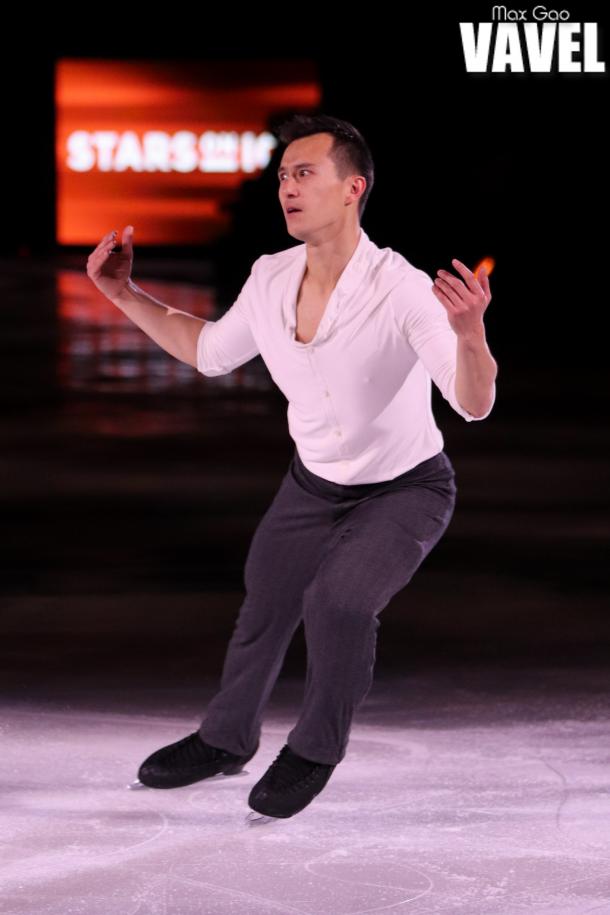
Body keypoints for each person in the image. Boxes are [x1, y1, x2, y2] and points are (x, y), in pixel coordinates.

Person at [87, 113, 498, 820]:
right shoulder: (271, 275)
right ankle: (225, 738)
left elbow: (473, 402)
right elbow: (210, 350)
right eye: (283, 175)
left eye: (305, 172)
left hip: (405, 489)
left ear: (352, 188)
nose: (287, 186)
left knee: (337, 602)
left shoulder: (400, 288)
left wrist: (471, 337)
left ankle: (314, 748)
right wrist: (124, 294)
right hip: (312, 483)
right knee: (265, 602)